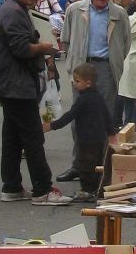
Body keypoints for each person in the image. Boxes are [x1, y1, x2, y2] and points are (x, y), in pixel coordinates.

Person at [0, 0, 64, 206]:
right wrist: (44, 47)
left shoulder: (17, 9)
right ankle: (42, 189)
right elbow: (21, 49)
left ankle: (11, 186)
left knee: (12, 137)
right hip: (15, 84)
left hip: (12, 82)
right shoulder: (13, 12)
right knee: (33, 137)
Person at [63, 0, 131, 122]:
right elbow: (66, 40)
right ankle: (80, 145)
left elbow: (126, 44)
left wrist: (115, 61)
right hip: (81, 66)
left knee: (105, 114)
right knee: (79, 114)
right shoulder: (74, 10)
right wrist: (73, 63)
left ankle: (102, 145)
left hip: (106, 68)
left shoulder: (119, 13)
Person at [51, 62, 119, 202]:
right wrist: (111, 132)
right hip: (99, 138)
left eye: (77, 81)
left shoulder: (82, 100)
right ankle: (95, 188)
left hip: (86, 139)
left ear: (88, 83)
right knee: (97, 164)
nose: (74, 83)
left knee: (85, 166)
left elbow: (71, 115)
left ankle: (87, 190)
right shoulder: (99, 97)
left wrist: (53, 125)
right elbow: (107, 115)